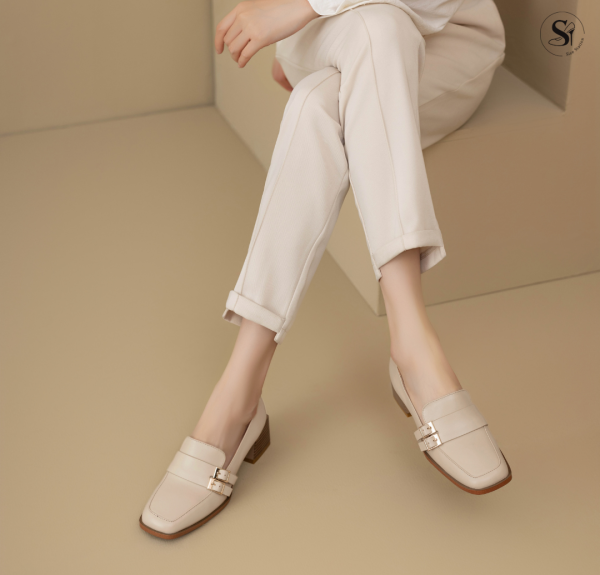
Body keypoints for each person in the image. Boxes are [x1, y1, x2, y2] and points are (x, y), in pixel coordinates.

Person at [140, 0, 512, 540]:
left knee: (321, 101)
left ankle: (238, 393)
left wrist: (303, 6)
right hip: (324, 33)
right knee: (376, 26)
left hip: (452, 39)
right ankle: (413, 348)